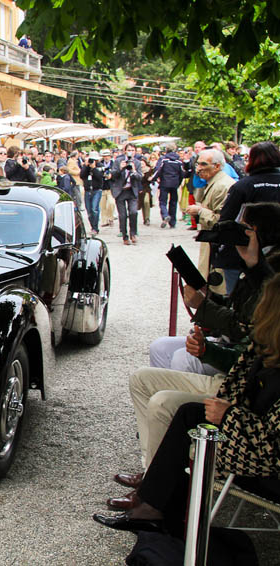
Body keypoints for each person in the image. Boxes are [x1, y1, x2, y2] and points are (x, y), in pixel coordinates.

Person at [95, 273, 280, 534]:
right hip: (243, 424)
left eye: (263, 306)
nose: (257, 312)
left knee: (169, 406)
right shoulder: (265, 348)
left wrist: (230, 416)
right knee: (182, 410)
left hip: (262, 464)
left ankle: (152, 505)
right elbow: (239, 378)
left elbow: (272, 449)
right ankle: (152, 498)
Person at [214, 141, 280, 294]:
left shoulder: (242, 186)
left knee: (239, 300)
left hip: (243, 252)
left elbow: (226, 221)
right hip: (276, 252)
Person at [185, 148, 235, 285]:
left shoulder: (223, 185)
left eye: (203, 164)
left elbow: (222, 220)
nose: (199, 168)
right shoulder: (212, 182)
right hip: (210, 242)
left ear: (217, 166)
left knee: (216, 285)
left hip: (218, 246)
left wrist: (200, 211)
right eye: (197, 164)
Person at [111, 146, 143, 245]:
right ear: (125, 151)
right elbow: (113, 175)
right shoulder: (118, 161)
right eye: (129, 150)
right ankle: (124, 235)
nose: (131, 152)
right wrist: (121, 168)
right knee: (123, 215)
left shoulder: (137, 162)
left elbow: (140, 177)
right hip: (120, 191)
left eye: (133, 150)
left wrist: (133, 170)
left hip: (131, 191)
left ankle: (133, 233)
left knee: (133, 212)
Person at [150, 142, 185, 229]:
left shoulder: (164, 159)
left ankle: (165, 215)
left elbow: (158, 170)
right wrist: (178, 182)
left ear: (166, 150)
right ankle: (172, 222)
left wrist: (153, 179)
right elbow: (182, 173)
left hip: (164, 183)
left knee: (162, 201)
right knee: (173, 202)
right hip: (174, 183)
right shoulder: (178, 161)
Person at [80, 152, 105, 234]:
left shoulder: (100, 166)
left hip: (96, 190)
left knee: (94, 209)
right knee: (89, 211)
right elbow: (82, 176)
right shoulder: (86, 167)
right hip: (87, 190)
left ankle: (95, 227)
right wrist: (86, 166)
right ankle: (92, 226)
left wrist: (94, 168)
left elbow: (100, 177)